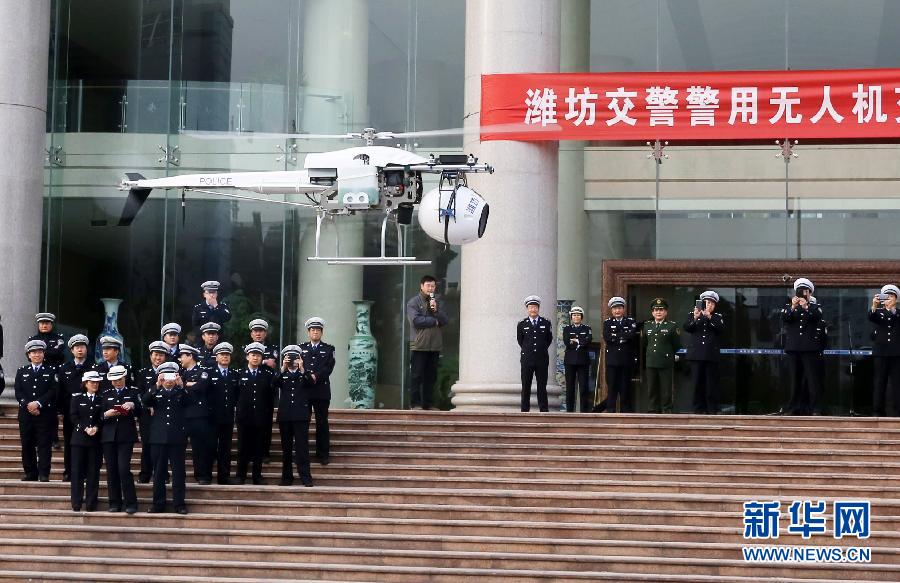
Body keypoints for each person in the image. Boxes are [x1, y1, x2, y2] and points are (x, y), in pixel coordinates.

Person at [143, 361, 191, 514]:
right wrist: (156, 385)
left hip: (177, 438)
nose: (169, 380)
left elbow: (190, 402)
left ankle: (179, 504)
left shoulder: (180, 392)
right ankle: (158, 504)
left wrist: (181, 386)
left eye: (172, 375)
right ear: (160, 376)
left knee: (178, 473)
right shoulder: (155, 391)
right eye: (166, 376)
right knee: (158, 473)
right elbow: (145, 401)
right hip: (158, 438)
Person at [15, 340, 58, 481]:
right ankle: (30, 473)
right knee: (27, 443)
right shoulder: (22, 371)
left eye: (39, 352)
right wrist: (28, 405)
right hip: (26, 414)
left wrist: (38, 403)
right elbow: (18, 391)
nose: (37, 355)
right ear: (28, 355)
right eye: (33, 352)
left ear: (44, 354)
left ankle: (44, 473)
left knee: (44, 444)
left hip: (44, 413)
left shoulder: (51, 371)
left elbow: (53, 390)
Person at [100, 365, 141, 514]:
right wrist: (106, 414)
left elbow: (141, 410)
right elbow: (98, 414)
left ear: (125, 378)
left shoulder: (133, 391)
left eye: (119, 379)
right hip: (109, 436)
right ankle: (114, 503)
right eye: (114, 380)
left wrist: (133, 405)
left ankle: (131, 502)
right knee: (111, 471)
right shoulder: (105, 393)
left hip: (126, 435)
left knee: (123, 469)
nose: (117, 382)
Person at [406, 275, 449, 410]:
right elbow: (416, 321)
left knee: (431, 376)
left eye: (433, 286)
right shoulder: (413, 302)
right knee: (417, 375)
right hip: (419, 345)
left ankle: (428, 404)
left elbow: (445, 320)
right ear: (422, 286)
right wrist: (434, 321)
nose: (431, 288)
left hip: (434, 345)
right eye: (428, 285)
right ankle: (415, 403)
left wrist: (435, 311)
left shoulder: (438, 302)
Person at [782, 278, 824, 415]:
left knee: (812, 380)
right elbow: (785, 317)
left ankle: (814, 408)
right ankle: (794, 407)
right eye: (800, 291)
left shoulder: (814, 307)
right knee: (795, 379)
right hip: (793, 348)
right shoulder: (790, 308)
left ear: (810, 293)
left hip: (809, 348)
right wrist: (794, 306)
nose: (802, 294)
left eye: (805, 291)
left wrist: (806, 306)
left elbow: (817, 316)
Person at [235, 342, 274, 485]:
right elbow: (235, 395)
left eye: (258, 355)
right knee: (242, 448)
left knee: (259, 448)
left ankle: (257, 476)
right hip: (244, 417)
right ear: (247, 357)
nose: (255, 358)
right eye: (253, 355)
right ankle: (241, 476)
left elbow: (270, 396)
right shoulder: (239, 373)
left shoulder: (266, 375)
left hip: (260, 417)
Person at [275, 344, 314, 487]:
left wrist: (302, 368)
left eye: (295, 357)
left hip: (301, 416)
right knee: (286, 449)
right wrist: (283, 367)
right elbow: (273, 383)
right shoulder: (282, 374)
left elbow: (311, 383)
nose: (292, 360)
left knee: (302, 448)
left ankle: (306, 477)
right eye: (289, 357)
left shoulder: (304, 374)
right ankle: (286, 478)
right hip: (285, 416)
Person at [683, 290, 725, 414]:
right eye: (707, 302)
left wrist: (709, 317)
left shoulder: (717, 317)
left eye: (712, 303)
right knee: (697, 384)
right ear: (702, 303)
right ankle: (698, 409)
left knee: (711, 384)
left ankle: (712, 409)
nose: (709, 305)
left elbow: (720, 329)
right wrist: (696, 318)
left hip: (711, 355)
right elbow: (687, 327)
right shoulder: (693, 314)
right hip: (696, 355)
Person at [301, 317, 335, 464]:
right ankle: (303, 454)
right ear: (308, 332)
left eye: (318, 330)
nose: (315, 332)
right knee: (303, 422)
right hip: (305, 391)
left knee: (322, 422)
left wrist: (316, 376)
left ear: (322, 332)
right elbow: (297, 366)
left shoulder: (329, 349)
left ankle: (323, 454)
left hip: (321, 390)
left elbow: (329, 367)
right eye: (312, 330)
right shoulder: (300, 348)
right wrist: (309, 376)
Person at [178, 344, 214, 485]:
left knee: (200, 447)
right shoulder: (181, 373)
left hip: (198, 415)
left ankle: (202, 475)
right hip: (183, 416)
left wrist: (184, 385)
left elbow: (201, 386)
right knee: (180, 448)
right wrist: (188, 384)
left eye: (182, 356)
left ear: (190, 356)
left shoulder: (202, 371)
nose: (180, 358)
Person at [134, 341, 170, 483]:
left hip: (163, 415)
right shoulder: (143, 373)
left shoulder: (170, 373)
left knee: (162, 446)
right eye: (156, 355)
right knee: (147, 446)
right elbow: (138, 394)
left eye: (161, 355)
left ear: (165, 357)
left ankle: (162, 474)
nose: (158, 358)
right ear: (150, 356)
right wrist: (147, 406)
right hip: (147, 416)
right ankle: (145, 474)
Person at [57, 334, 91, 481]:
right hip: (70, 413)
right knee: (70, 442)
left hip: (88, 412)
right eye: (77, 347)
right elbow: (60, 391)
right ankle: (69, 471)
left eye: (82, 347)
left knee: (86, 444)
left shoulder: (92, 367)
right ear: (71, 350)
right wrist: (61, 410)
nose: (80, 350)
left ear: (86, 349)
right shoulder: (65, 368)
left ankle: (84, 472)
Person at [69, 371, 104, 512]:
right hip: (79, 440)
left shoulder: (101, 399)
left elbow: (102, 417)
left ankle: (91, 503)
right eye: (92, 382)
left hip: (95, 440)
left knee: (93, 472)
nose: (94, 384)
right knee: (77, 472)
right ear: (85, 383)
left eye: (96, 382)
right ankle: (76, 502)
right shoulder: (77, 398)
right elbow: (73, 416)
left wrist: (96, 427)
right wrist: (85, 428)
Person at [641, 298, 681, 414]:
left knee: (666, 388)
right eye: (656, 310)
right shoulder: (647, 325)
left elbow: (677, 345)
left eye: (661, 310)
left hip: (665, 362)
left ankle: (666, 409)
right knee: (652, 388)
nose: (658, 312)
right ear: (652, 312)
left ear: (666, 312)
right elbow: (644, 343)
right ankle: (653, 409)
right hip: (651, 361)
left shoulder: (671, 326)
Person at [247, 319, 279, 461]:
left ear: (265, 333)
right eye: (255, 331)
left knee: (266, 424)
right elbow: (245, 363)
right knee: (249, 424)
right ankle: (250, 452)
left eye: (261, 331)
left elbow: (273, 364)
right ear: (251, 334)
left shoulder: (273, 348)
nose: (258, 334)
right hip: (249, 391)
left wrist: (262, 362)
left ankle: (264, 452)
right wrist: (265, 361)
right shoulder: (245, 348)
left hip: (267, 390)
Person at [208, 342, 239, 484]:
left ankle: (224, 477)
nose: (225, 357)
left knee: (225, 448)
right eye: (222, 355)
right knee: (210, 446)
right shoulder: (209, 373)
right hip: (212, 416)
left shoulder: (234, 374)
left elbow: (237, 396)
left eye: (227, 355)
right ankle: (207, 475)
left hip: (227, 417)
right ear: (216, 357)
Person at [517, 295, 553, 412]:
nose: (533, 309)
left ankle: (543, 410)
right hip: (527, 359)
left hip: (541, 359)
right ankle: (524, 411)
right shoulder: (522, 324)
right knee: (526, 386)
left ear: (538, 308)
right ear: (527, 309)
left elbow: (548, 339)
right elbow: (520, 341)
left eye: (535, 307)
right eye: (531, 307)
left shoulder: (546, 323)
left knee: (542, 386)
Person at [603, 297, 638, 413]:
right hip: (612, 360)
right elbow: (607, 337)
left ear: (623, 309)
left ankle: (625, 411)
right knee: (612, 386)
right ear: (611, 310)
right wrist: (623, 336)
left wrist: (616, 336)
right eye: (614, 308)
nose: (617, 311)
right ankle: (610, 410)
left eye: (619, 308)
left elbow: (632, 336)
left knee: (625, 387)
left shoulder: (630, 321)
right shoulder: (608, 322)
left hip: (626, 359)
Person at [870, 284, 900, 416]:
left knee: (897, 383)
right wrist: (874, 305)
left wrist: (892, 310)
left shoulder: (898, 313)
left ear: (896, 299)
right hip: (881, 353)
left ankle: (897, 410)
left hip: (896, 353)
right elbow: (871, 317)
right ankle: (877, 410)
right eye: (886, 297)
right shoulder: (878, 313)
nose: (888, 299)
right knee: (879, 382)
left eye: (891, 296)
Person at [562, 306, 593, 412]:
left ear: (582, 317)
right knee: (570, 388)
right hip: (570, 361)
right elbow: (567, 342)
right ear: (571, 317)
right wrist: (581, 341)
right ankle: (569, 411)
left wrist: (577, 341)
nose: (576, 317)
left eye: (578, 315)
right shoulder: (567, 328)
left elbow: (588, 341)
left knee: (584, 388)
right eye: (574, 315)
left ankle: (584, 412)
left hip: (583, 361)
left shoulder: (587, 328)